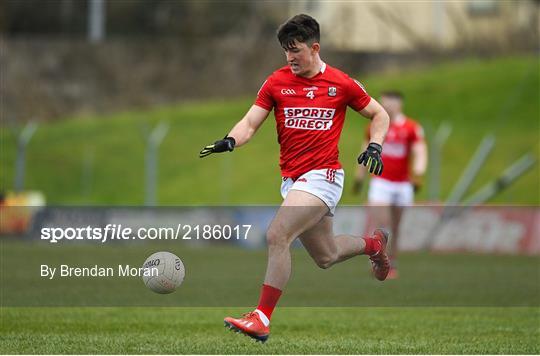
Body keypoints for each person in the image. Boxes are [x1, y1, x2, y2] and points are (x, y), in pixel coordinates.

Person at [200, 14, 390, 343]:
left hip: (324, 177)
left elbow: (380, 113)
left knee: (277, 234)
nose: (290, 58)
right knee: (326, 256)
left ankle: (261, 317)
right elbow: (249, 122)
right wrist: (230, 140)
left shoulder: (341, 83)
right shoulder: (276, 82)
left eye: (296, 50)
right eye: (285, 52)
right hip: (294, 181)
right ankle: (374, 245)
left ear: (314, 48)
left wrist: (375, 145)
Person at [353, 91, 427, 279]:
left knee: (396, 225)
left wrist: (418, 173)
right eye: (383, 103)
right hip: (381, 182)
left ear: (399, 104)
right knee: (382, 224)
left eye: (390, 103)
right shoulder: (375, 126)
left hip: (402, 185)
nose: (386, 106)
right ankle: (378, 262)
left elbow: (420, 151)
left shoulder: (411, 127)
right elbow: (364, 151)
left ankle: (392, 263)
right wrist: (359, 177)